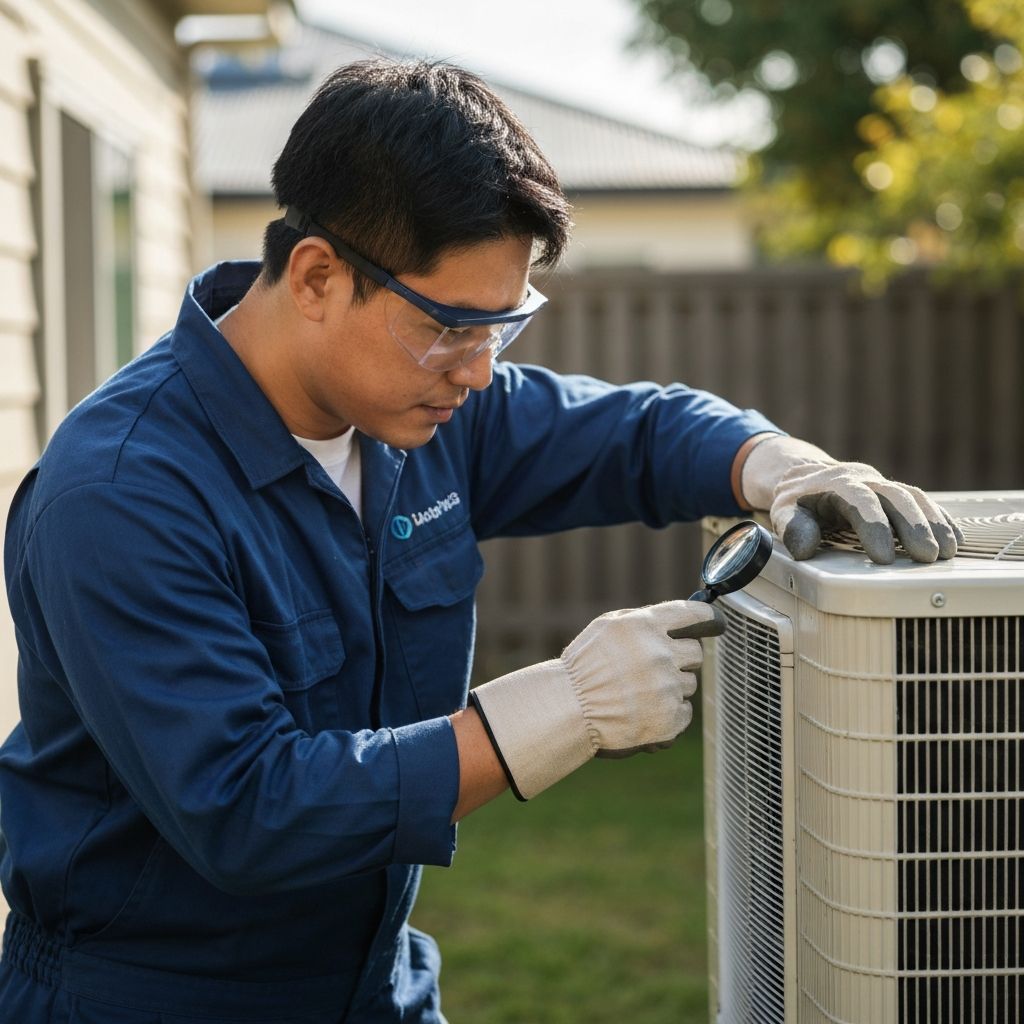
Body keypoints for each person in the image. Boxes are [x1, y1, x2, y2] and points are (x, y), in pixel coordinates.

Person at [0, 59, 960, 1023]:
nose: (478, 372)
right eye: (451, 326)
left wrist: (781, 464)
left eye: (503, 326)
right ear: (319, 277)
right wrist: (556, 712)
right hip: (146, 998)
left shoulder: (422, 412)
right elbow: (247, 812)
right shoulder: (125, 491)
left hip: (376, 983)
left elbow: (641, 432)